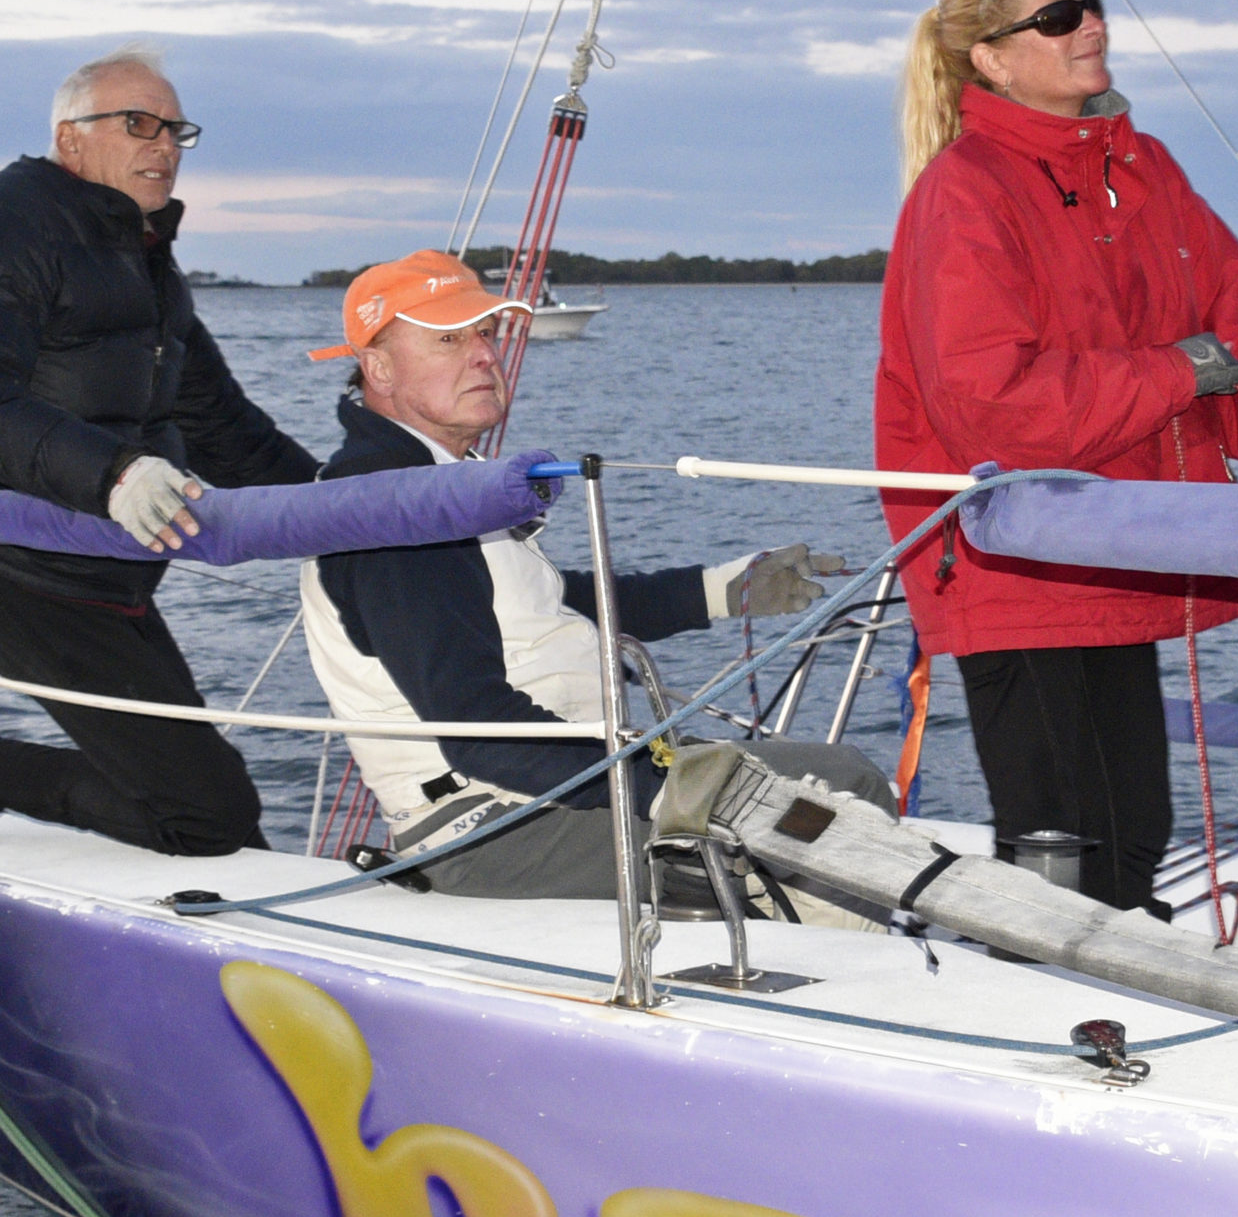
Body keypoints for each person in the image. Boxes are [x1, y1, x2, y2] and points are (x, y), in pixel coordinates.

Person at [875, 0, 1238, 919]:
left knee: (1133, 838)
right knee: (1064, 852)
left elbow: (1233, 338)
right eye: (1060, 16)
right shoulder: (964, 192)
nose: (1093, 26)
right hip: (1014, 567)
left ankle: (1117, 1021)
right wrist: (1175, 372)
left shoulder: (1145, 169)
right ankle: (1052, 1037)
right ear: (992, 56)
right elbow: (993, 407)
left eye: (1093, 4)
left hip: (1123, 551)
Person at [300, 251, 892, 899]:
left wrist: (724, 589)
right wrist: (666, 784)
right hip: (497, 825)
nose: (483, 356)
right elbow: (479, 732)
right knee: (833, 815)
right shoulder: (389, 509)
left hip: (562, 786)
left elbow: (549, 604)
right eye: (447, 339)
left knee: (842, 778)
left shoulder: (439, 483)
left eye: (486, 333)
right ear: (378, 367)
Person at [0, 44, 320, 855]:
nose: (164, 146)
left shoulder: (141, 253)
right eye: (139, 124)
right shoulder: (0, 225)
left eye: (176, 131)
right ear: (71, 139)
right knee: (210, 818)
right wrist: (116, 472)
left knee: (220, 813)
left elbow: (219, 421)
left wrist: (344, 503)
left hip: (111, 576)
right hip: (17, 569)